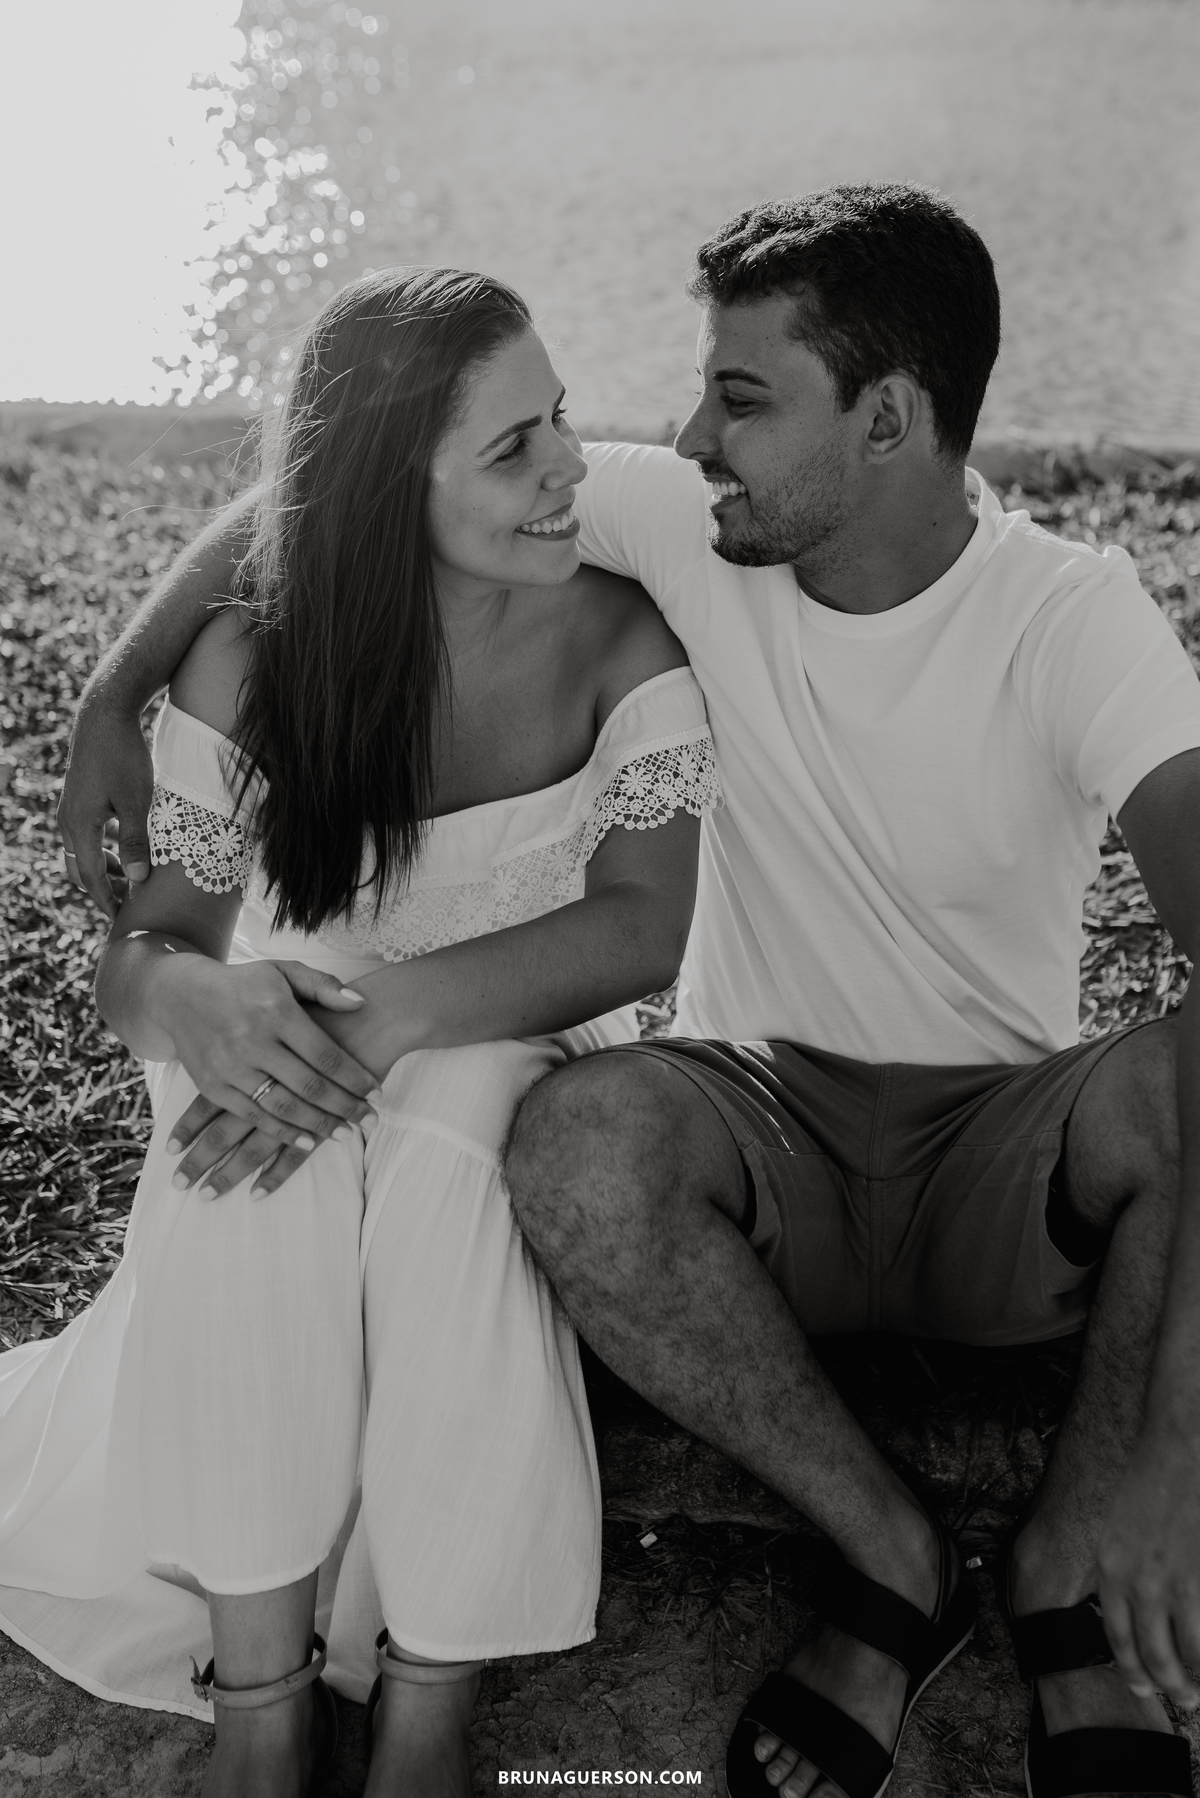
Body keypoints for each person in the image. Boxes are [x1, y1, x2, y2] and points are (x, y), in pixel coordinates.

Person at [51, 184, 1200, 1798]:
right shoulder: (686, 524)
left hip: (1000, 1149)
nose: (681, 434)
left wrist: (1171, 1459)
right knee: (544, 1137)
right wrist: (116, 691)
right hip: (764, 1138)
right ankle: (894, 1556)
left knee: (1174, 1075)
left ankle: (1073, 1569)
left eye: (740, 396)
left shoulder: (1072, 622)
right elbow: (336, 488)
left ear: (885, 421)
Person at [0, 266, 720, 1798]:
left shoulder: (615, 632)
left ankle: (428, 1688)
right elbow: (150, 952)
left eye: (560, 419)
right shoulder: (253, 658)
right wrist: (190, 995)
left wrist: (388, 1022)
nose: (570, 466)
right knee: (247, 1164)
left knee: (454, 1141)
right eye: (515, 447)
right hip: (291, 1019)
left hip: (509, 1024)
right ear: (392, 493)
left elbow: (641, 926)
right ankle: (260, 1697)